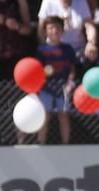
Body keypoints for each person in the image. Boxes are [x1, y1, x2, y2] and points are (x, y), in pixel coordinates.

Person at [36, 16, 77, 145]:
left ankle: (66, 143)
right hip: (46, 87)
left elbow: (72, 69)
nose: (54, 31)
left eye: (58, 28)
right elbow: (37, 70)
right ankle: (41, 143)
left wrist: (70, 82)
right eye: (51, 28)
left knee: (63, 115)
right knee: (45, 116)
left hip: (63, 87)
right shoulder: (41, 50)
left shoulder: (68, 49)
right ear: (46, 32)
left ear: (62, 31)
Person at [37, 0, 99, 72]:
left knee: (92, 56)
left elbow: (89, 26)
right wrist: (44, 48)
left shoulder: (81, 2)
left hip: (78, 49)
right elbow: (41, 28)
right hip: (54, 50)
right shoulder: (48, 2)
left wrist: (91, 43)